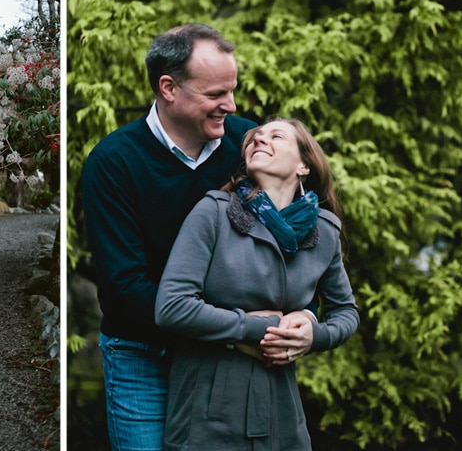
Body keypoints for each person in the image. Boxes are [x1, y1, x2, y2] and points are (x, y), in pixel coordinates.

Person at [82, 23, 263, 451]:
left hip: (231, 356)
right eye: (216, 94)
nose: (230, 105)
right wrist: (237, 328)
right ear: (168, 87)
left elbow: (292, 239)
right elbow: (125, 286)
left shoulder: (250, 144)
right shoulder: (114, 162)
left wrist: (299, 317)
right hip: (144, 354)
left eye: (232, 91)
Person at [154, 118, 360, 450]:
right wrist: (254, 328)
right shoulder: (214, 212)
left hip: (282, 408)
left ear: (304, 165)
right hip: (208, 405)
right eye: (254, 138)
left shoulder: (324, 232)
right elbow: (172, 307)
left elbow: (346, 313)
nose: (260, 141)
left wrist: (313, 334)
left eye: (276, 136)